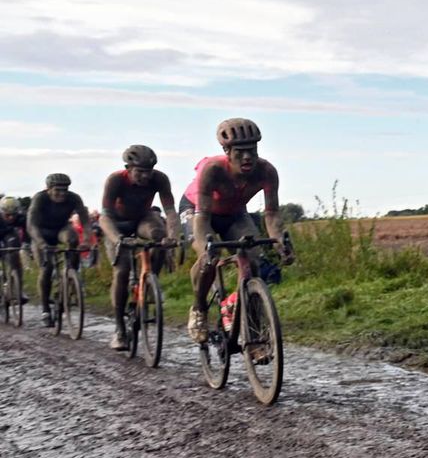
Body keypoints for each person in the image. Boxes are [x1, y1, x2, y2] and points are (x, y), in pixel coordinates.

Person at [187, 117, 294, 343]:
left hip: (235, 213)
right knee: (208, 259)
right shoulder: (213, 170)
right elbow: (203, 217)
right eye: (240, 152)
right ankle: (199, 309)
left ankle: (252, 333)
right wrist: (206, 248)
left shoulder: (266, 171)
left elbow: (272, 215)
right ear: (227, 151)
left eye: (252, 150)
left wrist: (279, 242)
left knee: (254, 259)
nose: (247, 157)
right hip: (199, 211)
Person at [98, 144, 180, 350]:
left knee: (159, 237)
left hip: (142, 218)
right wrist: (118, 239)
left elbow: (170, 211)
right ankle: (119, 330)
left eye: (148, 172)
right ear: (128, 168)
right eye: (140, 172)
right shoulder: (115, 180)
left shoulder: (160, 179)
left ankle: (149, 281)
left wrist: (173, 236)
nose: (145, 177)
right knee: (122, 270)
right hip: (116, 223)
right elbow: (104, 216)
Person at [26, 174, 90, 326]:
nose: (62, 194)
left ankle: (71, 275)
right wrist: (41, 243)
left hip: (61, 229)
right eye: (57, 190)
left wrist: (87, 240)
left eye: (65, 190)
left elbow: (86, 221)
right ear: (48, 189)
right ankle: (45, 309)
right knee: (46, 269)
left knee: (72, 239)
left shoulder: (74, 198)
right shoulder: (40, 198)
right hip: (41, 233)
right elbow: (31, 225)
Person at [0, 196, 27, 289]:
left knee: (16, 262)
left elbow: (28, 231)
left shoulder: (21, 218)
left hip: (9, 238)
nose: (11, 217)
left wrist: (26, 244)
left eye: (13, 214)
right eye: (7, 215)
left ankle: (18, 289)